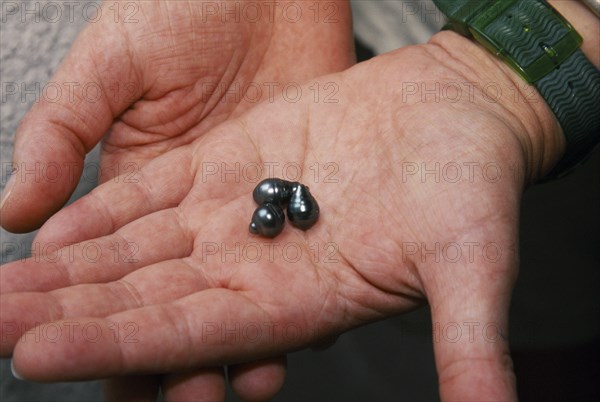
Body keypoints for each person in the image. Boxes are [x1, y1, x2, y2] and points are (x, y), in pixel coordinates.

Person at [0, 1, 598, 401]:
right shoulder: (286, 198)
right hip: (394, 37)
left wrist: (531, 77)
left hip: (514, 127)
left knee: (551, 314)